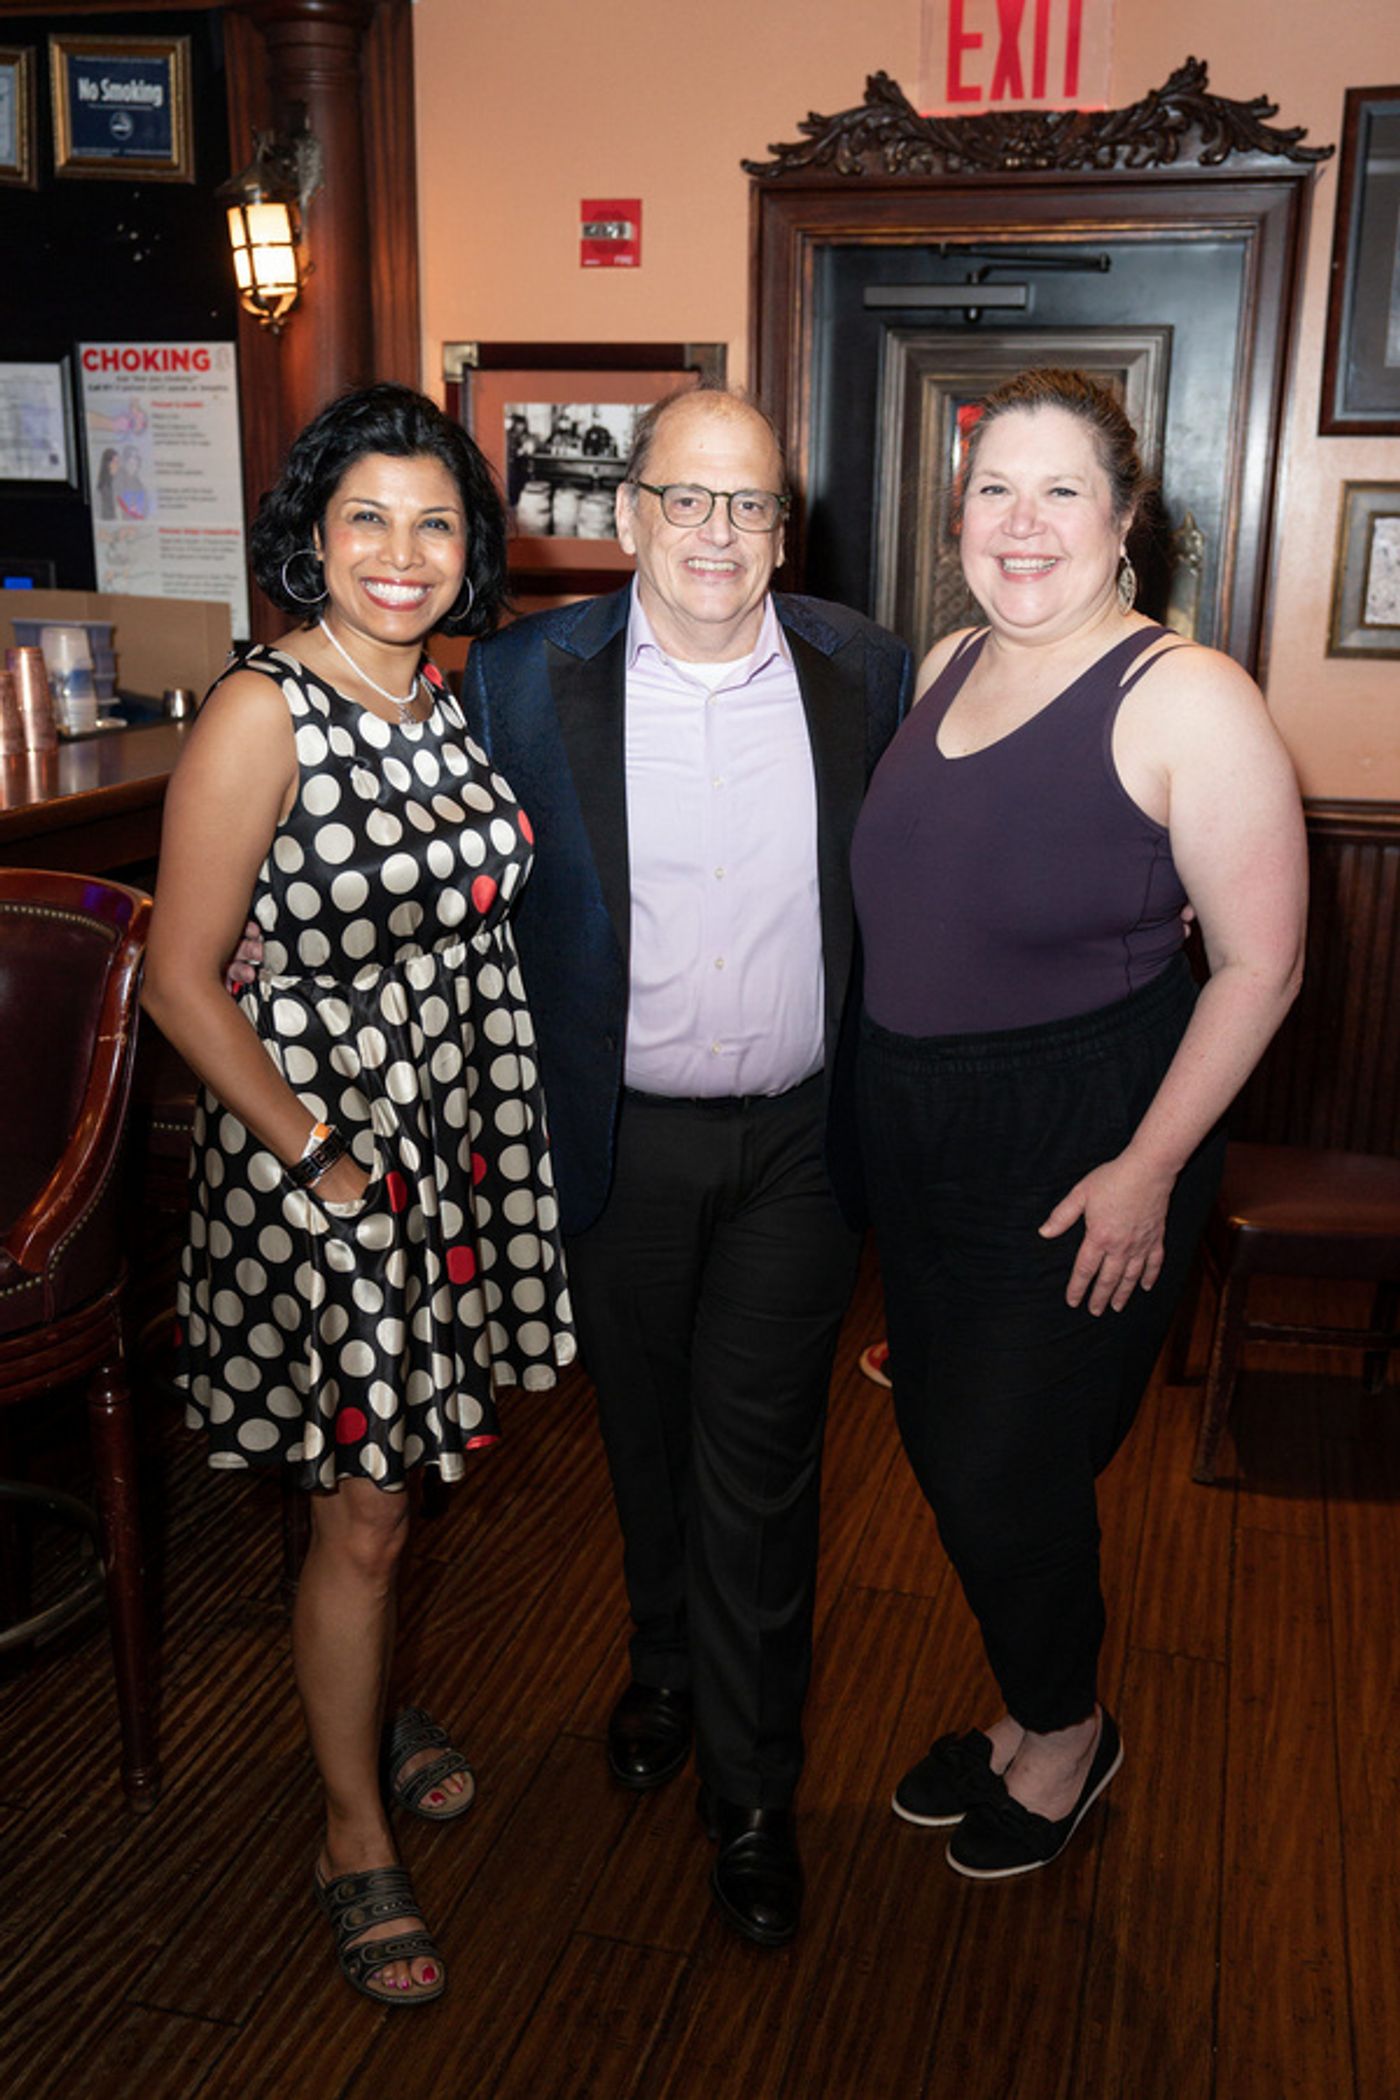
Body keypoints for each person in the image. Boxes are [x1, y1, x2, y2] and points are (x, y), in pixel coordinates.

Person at [143, 383, 575, 2005]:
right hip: (322, 1164)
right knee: (375, 1502)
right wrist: (323, 1155)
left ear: (471, 550)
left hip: (448, 1141)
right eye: (367, 521)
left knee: (391, 1481)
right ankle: (348, 1832)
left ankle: (372, 1710)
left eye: (435, 522)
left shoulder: (439, 696)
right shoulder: (265, 707)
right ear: (311, 540)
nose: (403, 555)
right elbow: (185, 981)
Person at [466, 385, 911, 1945]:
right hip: (614, 1137)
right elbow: (423, 844)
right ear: (629, 510)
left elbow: (953, 855)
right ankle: (661, 1658)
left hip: (799, 1141)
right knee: (642, 1438)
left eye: (751, 506)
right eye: (688, 499)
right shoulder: (521, 678)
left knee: (762, 1470)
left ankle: (754, 1789)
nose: (719, 534)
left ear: (784, 529)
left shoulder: (868, 668)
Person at [850, 367, 1307, 1879]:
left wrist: (1148, 1170)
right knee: (946, 1435)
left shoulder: (1188, 695)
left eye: (1061, 491)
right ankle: (1028, 1702)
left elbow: (1259, 962)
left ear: (1125, 524)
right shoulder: (943, 664)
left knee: (1001, 1462)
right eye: (994, 489)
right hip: (919, 1136)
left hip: (1085, 1137)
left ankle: (1063, 1734)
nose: (1022, 522)